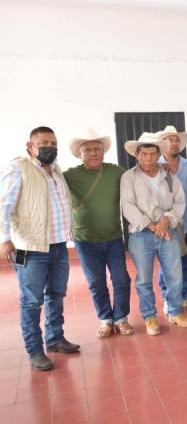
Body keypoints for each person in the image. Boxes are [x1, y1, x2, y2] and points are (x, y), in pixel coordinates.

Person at [0, 127, 79, 371]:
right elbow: (4, 205)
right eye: (44, 142)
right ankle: (35, 350)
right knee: (31, 302)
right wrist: (4, 238)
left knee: (56, 295)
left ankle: (54, 339)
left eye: (54, 143)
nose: (50, 148)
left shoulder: (56, 171)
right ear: (30, 145)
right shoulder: (18, 168)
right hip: (31, 249)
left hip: (58, 245)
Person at [121, 133, 187, 335]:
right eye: (144, 154)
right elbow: (128, 206)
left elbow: (180, 201)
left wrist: (166, 221)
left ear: (159, 154)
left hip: (167, 231)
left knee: (175, 275)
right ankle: (150, 317)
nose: (148, 159)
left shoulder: (169, 175)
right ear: (137, 154)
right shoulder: (128, 177)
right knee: (144, 278)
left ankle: (175, 311)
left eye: (153, 154)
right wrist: (154, 226)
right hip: (141, 235)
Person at [64, 129, 133, 338]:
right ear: (79, 154)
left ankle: (121, 319)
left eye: (97, 149)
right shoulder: (69, 176)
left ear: (103, 152)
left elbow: (140, 176)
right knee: (96, 283)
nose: (93, 153)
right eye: (88, 150)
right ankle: (106, 320)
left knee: (121, 280)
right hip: (85, 241)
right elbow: (48, 181)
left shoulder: (116, 172)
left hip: (113, 238)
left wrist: (162, 166)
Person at [155, 126, 187, 314]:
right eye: (170, 140)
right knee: (168, 263)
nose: (174, 144)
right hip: (166, 224)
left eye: (177, 140)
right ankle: (169, 297)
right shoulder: (155, 166)